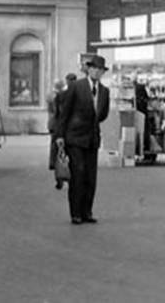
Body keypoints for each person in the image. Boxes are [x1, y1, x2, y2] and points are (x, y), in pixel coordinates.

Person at [55, 55, 110, 225]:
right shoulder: (76, 87)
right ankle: (76, 213)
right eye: (93, 68)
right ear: (88, 69)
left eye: (99, 70)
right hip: (75, 138)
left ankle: (87, 211)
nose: (96, 72)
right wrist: (60, 135)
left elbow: (103, 114)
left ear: (102, 72)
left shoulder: (104, 91)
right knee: (78, 174)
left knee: (90, 177)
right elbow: (64, 113)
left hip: (92, 139)